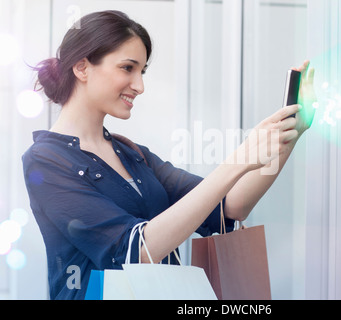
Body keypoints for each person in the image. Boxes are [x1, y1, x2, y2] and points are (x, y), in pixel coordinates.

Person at [22, 10, 316, 300]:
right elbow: (133, 250)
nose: (139, 86)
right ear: (82, 67)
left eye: (142, 72)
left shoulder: (132, 154)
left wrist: (290, 134)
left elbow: (230, 206)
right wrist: (237, 161)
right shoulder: (46, 160)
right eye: (128, 68)